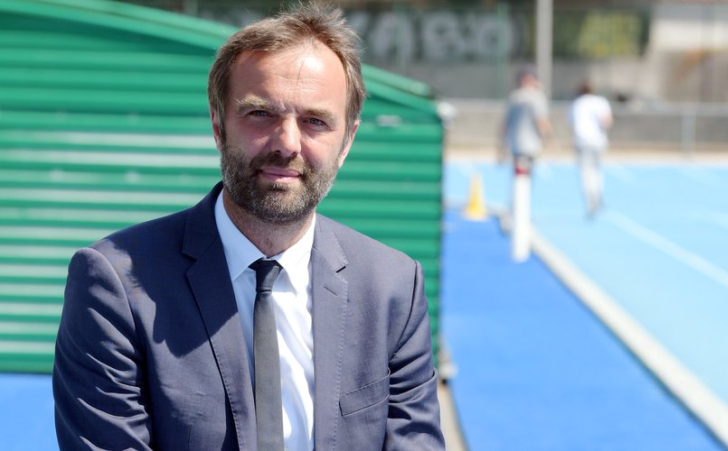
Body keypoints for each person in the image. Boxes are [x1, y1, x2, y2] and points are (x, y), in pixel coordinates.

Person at [52, 4, 445, 450]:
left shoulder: (394, 288)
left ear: (347, 141)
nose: (287, 144)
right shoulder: (115, 284)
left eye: (315, 121)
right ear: (218, 124)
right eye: (260, 114)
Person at [568, 81, 613, 218]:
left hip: (582, 141)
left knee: (585, 172)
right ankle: (597, 194)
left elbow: (572, 124)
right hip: (598, 140)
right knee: (597, 169)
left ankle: (590, 200)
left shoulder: (576, 104)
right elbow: (607, 121)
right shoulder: (600, 102)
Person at [500, 66, 552, 174]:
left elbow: (505, 123)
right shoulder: (537, 97)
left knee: (520, 174)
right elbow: (541, 121)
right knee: (524, 176)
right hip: (530, 144)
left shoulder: (514, 97)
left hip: (515, 143)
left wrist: (502, 144)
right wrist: (548, 138)